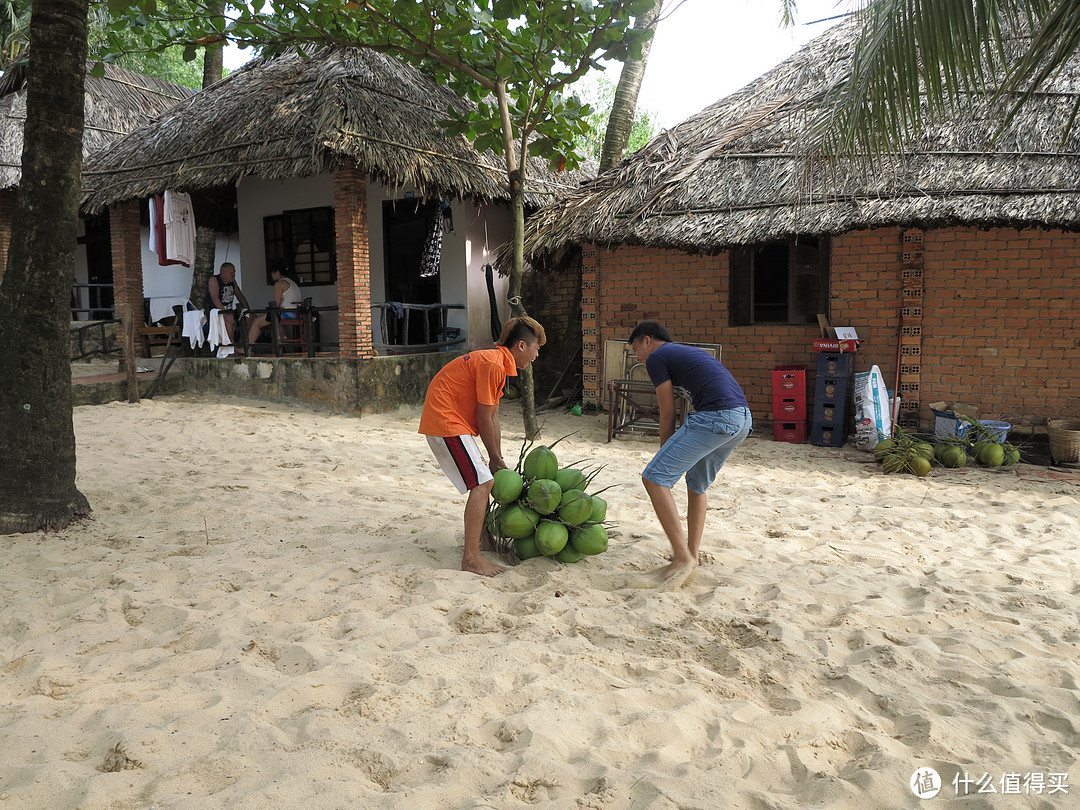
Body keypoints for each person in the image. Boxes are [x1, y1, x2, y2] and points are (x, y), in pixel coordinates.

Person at [627, 320, 752, 585]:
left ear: (647, 340)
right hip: (741, 420)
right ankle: (692, 557)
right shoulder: (684, 353)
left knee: (653, 478)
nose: (637, 356)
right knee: (697, 485)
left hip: (717, 418)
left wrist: (664, 452)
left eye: (636, 348)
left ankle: (682, 557)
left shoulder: (657, 357)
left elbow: (667, 412)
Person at [419, 316, 546, 577]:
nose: (537, 355)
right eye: (537, 348)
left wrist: (496, 457)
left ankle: (484, 540)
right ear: (521, 346)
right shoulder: (493, 364)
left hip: (452, 422)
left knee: (486, 478)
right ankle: (472, 558)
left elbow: (493, 416)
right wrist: (493, 455)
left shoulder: (498, 363)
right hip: (445, 420)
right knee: (483, 483)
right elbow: (482, 417)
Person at [247, 261, 303, 346]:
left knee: (256, 322)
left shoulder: (279, 283)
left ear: (277, 272)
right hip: (297, 312)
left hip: (287, 313)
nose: (271, 275)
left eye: (272, 273)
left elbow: (276, 304)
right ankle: (283, 336)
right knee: (273, 317)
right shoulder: (292, 282)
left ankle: (247, 347)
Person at [206, 262, 251, 351]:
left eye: (234, 272)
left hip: (230, 310)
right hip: (216, 312)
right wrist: (225, 314)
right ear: (223, 273)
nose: (234, 275)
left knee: (249, 318)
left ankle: (242, 344)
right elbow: (215, 298)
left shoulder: (233, 282)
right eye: (231, 273)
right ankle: (232, 348)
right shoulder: (214, 280)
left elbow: (240, 297)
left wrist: (248, 311)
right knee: (228, 322)